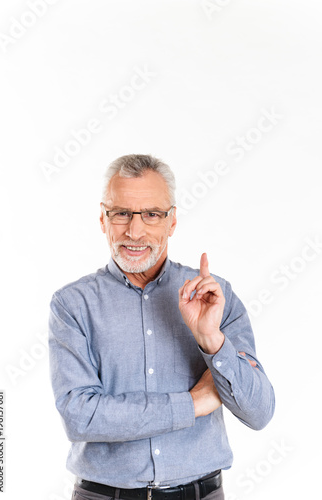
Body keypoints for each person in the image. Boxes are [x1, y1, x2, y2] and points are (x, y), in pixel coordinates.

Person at [48, 154, 275, 500]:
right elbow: (81, 417)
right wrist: (193, 403)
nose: (135, 231)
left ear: (171, 222)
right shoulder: (72, 305)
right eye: (121, 213)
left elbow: (259, 413)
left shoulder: (214, 296)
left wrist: (213, 342)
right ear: (102, 219)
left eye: (151, 214)